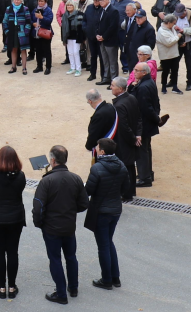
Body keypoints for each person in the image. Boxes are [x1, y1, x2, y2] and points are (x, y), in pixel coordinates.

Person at [34, 145, 87, 305]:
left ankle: (61, 293)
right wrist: (70, 212)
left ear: (52, 160)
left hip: (51, 228)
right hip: (69, 227)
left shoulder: (47, 181)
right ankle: (73, 288)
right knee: (71, 257)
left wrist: (40, 223)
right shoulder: (76, 178)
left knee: (55, 259)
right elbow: (84, 203)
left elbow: (38, 207)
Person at [0, 146, 26, 300]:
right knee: (13, 251)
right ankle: (12, 286)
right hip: (15, 217)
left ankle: (1, 287)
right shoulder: (21, 176)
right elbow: (20, 189)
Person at [84, 138, 126, 290]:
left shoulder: (97, 168)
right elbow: (125, 187)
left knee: (103, 246)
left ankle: (107, 279)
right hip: (115, 209)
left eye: (97, 147)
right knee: (109, 241)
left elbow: (88, 190)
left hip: (101, 211)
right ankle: (115, 277)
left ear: (102, 151)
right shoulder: (121, 165)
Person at [108, 78, 142, 196]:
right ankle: (130, 191)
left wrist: (133, 139)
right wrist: (137, 135)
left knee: (125, 167)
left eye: (113, 85)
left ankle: (127, 193)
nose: (111, 87)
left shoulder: (119, 105)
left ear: (120, 89)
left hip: (124, 141)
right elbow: (138, 118)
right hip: (132, 138)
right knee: (130, 166)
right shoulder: (132, 98)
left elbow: (124, 126)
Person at [132, 64, 161, 187]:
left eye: (137, 71)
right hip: (148, 122)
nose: (134, 72)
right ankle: (147, 173)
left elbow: (146, 108)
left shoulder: (143, 86)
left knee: (142, 150)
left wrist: (156, 119)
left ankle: (145, 178)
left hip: (144, 123)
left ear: (144, 72)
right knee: (146, 149)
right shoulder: (148, 82)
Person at [95, 0, 123, 85]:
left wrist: (104, 37)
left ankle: (114, 81)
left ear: (108, 0)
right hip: (102, 40)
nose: (101, 2)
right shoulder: (101, 10)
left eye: (103, 0)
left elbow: (113, 26)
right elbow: (98, 24)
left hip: (110, 40)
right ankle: (106, 78)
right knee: (105, 61)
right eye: (100, 0)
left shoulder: (113, 11)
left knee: (112, 62)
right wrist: (97, 35)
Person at [3, 0, 32, 74]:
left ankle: (24, 68)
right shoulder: (9, 8)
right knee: (13, 49)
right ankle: (13, 67)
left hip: (22, 32)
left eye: (18, 0)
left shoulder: (25, 9)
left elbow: (28, 22)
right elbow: (5, 21)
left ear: (21, 1)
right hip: (12, 32)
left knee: (23, 50)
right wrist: (7, 31)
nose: (16, 1)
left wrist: (26, 31)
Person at [155, 14, 183, 94]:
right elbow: (169, 42)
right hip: (166, 55)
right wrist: (178, 36)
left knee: (175, 71)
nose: (174, 25)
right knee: (165, 71)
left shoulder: (170, 28)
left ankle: (175, 87)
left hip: (174, 53)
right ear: (168, 23)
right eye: (173, 23)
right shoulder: (161, 31)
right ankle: (163, 87)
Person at [81, 0, 105, 81]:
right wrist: (85, 29)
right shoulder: (89, 7)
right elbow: (84, 20)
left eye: (97, 0)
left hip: (100, 38)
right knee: (93, 56)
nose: (95, 1)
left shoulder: (103, 9)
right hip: (91, 37)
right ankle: (93, 74)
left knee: (102, 58)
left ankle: (103, 76)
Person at [62, 0, 85, 77]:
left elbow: (82, 27)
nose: (69, 6)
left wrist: (82, 39)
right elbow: (63, 28)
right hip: (68, 37)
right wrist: (63, 39)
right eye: (68, 5)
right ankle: (72, 67)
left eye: (71, 5)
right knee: (70, 53)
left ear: (74, 6)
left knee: (76, 52)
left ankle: (78, 69)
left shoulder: (79, 14)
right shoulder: (65, 15)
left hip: (76, 37)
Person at [32, 0, 55, 75]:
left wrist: (42, 18)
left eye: (42, 1)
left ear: (45, 1)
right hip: (37, 32)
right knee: (38, 50)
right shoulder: (35, 9)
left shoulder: (48, 10)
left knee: (47, 50)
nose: (40, 3)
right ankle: (39, 66)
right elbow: (31, 19)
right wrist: (33, 24)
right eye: (39, 1)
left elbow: (49, 21)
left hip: (45, 32)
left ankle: (48, 67)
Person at [177, 5, 191, 92]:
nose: (180, 15)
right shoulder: (175, 15)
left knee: (189, 64)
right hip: (178, 43)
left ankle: (189, 83)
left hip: (188, 44)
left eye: (181, 14)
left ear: (185, 11)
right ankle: (173, 80)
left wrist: (182, 30)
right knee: (174, 63)